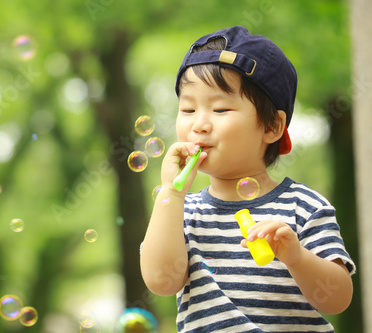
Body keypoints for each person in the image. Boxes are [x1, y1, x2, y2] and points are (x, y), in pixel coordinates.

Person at [139, 26, 355, 332]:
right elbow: (161, 281)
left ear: (272, 127)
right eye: (188, 108)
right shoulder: (181, 213)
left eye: (220, 108)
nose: (199, 124)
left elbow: (337, 301)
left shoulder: (304, 206)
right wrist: (171, 195)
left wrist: (296, 258)